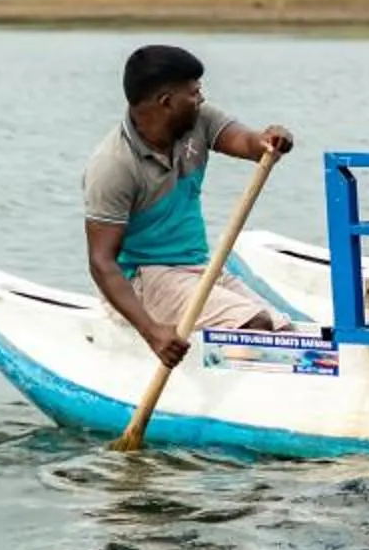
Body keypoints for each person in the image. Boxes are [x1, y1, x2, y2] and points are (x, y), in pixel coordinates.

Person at [82, 44, 296, 367]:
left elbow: (247, 142)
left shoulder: (198, 121)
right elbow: (101, 263)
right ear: (166, 102)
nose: (201, 99)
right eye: (194, 93)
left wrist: (268, 140)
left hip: (196, 270)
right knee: (254, 326)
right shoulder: (112, 165)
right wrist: (152, 331)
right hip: (141, 280)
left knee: (286, 333)